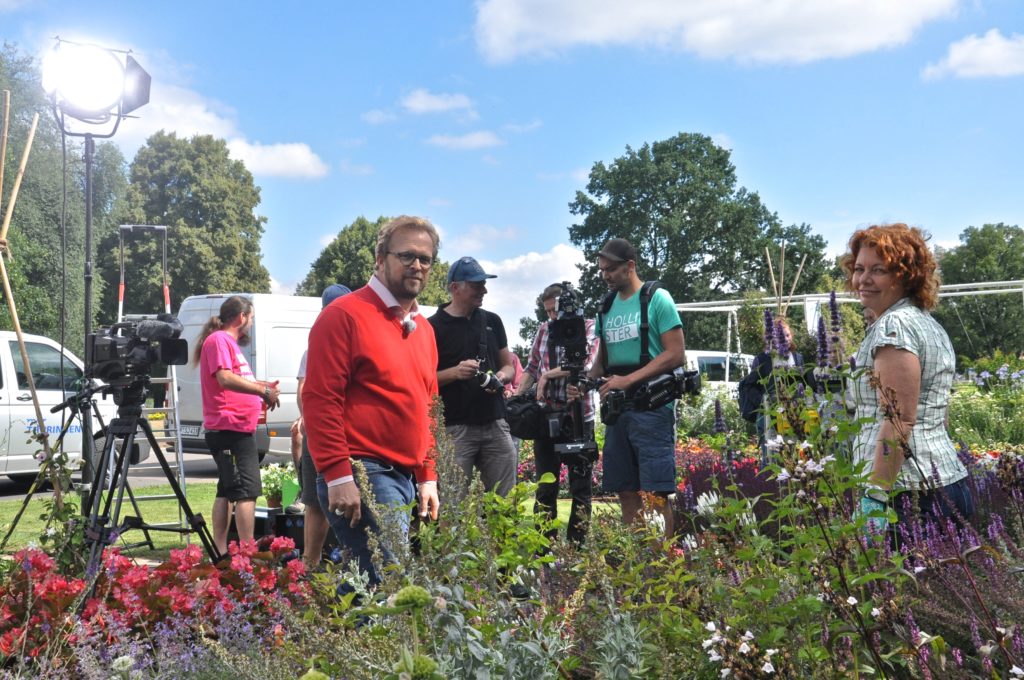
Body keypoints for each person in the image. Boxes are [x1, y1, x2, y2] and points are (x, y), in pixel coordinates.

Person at [303, 216, 441, 585]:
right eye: (407, 255)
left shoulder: (423, 328)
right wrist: (337, 474)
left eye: (426, 259)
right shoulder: (343, 316)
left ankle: (342, 640)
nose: (417, 265)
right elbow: (320, 400)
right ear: (380, 258)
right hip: (365, 472)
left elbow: (429, 407)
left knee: (372, 587)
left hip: (404, 477)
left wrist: (428, 476)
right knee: (389, 587)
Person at [843, 223, 972, 532]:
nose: (864, 279)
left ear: (905, 275)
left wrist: (875, 496)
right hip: (940, 482)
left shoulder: (895, 327)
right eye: (859, 269)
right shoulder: (926, 324)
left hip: (909, 494)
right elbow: (937, 413)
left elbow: (899, 419)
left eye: (879, 270)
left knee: (899, 580)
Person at [583, 238, 685, 540]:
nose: (606, 276)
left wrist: (628, 380)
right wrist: (586, 382)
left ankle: (664, 561)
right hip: (618, 409)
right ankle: (638, 557)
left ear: (630, 266)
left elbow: (675, 353)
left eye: (611, 269)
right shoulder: (607, 306)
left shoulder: (657, 299)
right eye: (602, 270)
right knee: (625, 488)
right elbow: (603, 360)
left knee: (656, 491)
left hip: (652, 406)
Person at [193, 296, 281, 556]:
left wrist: (264, 387)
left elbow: (238, 378)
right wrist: (261, 391)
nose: (251, 323)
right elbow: (224, 377)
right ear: (241, 317)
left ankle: (220, 552)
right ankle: (247, 554)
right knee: (246, 491)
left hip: (234, 427)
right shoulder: (220, 340)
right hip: (230, 428)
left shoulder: (226, 343)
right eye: (251, 318)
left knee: (226, 489)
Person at [516, 283, 601, 546]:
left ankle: (577, 547)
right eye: (548, 312)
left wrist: (548, 376)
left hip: (579, 416)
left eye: (556, 310)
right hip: (547, 417)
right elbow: (530, 367)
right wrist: (518, 400)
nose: (553, 317)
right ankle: (545, 546)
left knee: (580, 488)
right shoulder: (544, 330)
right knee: (546, 486)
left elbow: (588, 366)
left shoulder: (588, 328)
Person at [429, 256, 518, 495]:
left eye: (483, 284)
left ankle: (498, 536)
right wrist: (455, 373)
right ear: (455, 287)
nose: (484, 290)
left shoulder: (492, 321)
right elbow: (422, 380)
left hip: (495, 423)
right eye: (477, 285)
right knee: (452, 505)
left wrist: (500, 376)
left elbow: (509, 367)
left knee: (505, 503)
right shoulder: (432, 327)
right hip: (454, 428)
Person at [290, 283, 352, 567]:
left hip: (323, 432)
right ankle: (322, 563)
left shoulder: (316, 343)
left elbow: (303, 393)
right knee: (320, 501)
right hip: (334, 433)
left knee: (317, 502)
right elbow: (305, 393)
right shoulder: (324, 343)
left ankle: (312, 563)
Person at [749, 317, 805, 462]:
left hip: (792, 412)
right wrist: (764, 402)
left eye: (788, 335)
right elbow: (750, 386)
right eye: (781, 336)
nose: (785, 339)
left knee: (793, 452)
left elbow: (802, 384)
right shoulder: (762, 359)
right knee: (771, 455)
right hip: (769, 415)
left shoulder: (797, 358)